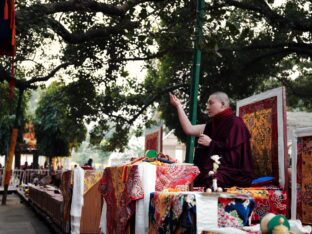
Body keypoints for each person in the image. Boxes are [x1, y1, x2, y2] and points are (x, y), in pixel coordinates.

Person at [169, 91, 254, 188]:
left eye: (211, 103)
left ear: (222, 104)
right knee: (189, 177)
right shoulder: (211, 125)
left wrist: (211, 143)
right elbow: (189, 129)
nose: (207, 107)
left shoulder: (236, 123)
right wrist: (178, 106)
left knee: (211, 181)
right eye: (207, 104)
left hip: (232, 173)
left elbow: (234, 155)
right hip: (214, 170)